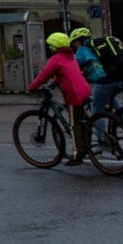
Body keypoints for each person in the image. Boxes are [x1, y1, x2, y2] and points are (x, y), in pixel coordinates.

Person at [27, 32, 93, 164]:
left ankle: (77, 155)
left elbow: (44, 75)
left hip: (74, 95)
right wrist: (56, 81)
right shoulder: (70, 56)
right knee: (83, 121)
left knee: (74, 125)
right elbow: (66, 72)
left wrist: (32, 87)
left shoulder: (56, 59)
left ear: (53, 47)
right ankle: (86, 143)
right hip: (84, 90)